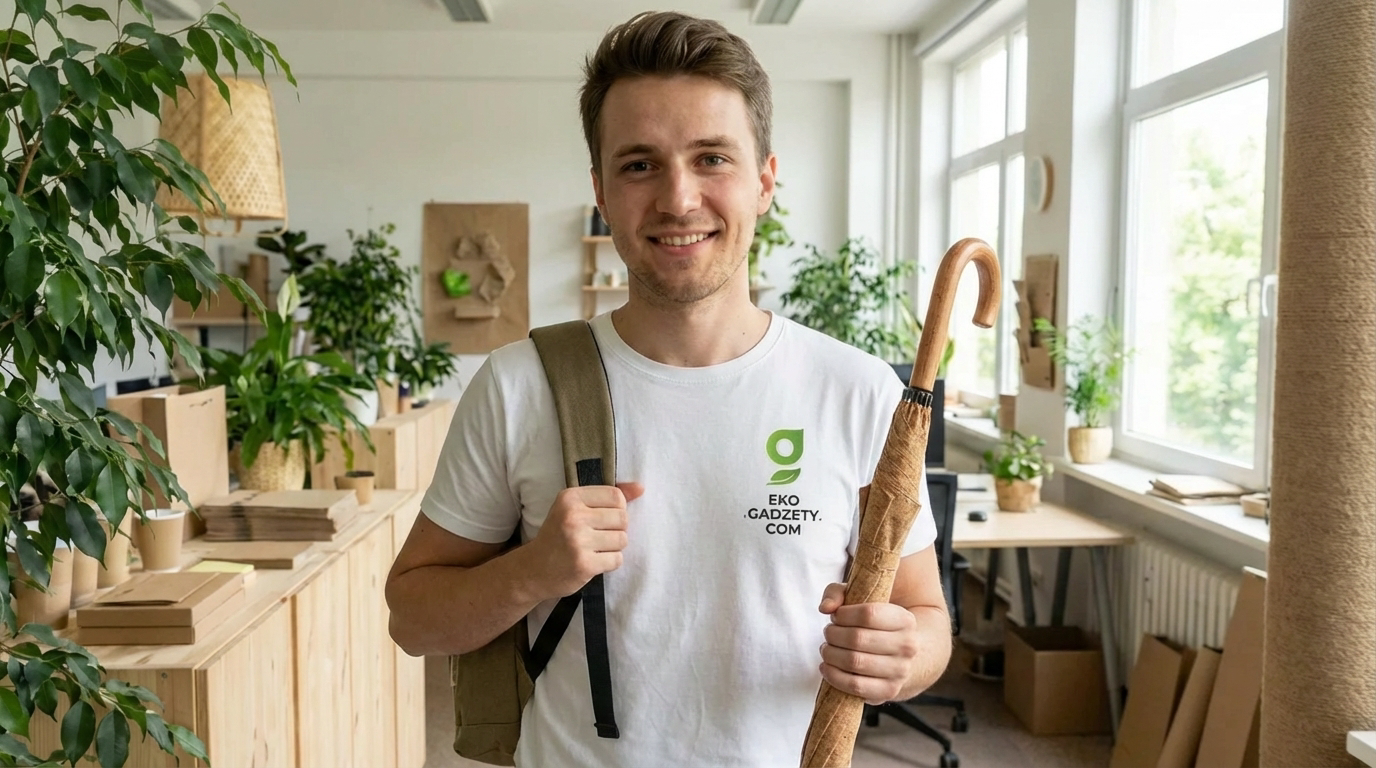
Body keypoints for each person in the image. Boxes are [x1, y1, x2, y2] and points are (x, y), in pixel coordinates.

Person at [385, 11, 952, 766]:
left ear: (764, 182)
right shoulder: (520, 385)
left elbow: (926, 618)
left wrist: (902, 657)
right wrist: (531, 571)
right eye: (639, 165)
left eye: (712, 158)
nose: (678, 199)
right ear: (601, 191)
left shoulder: (858, 391)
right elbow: (412, 618)